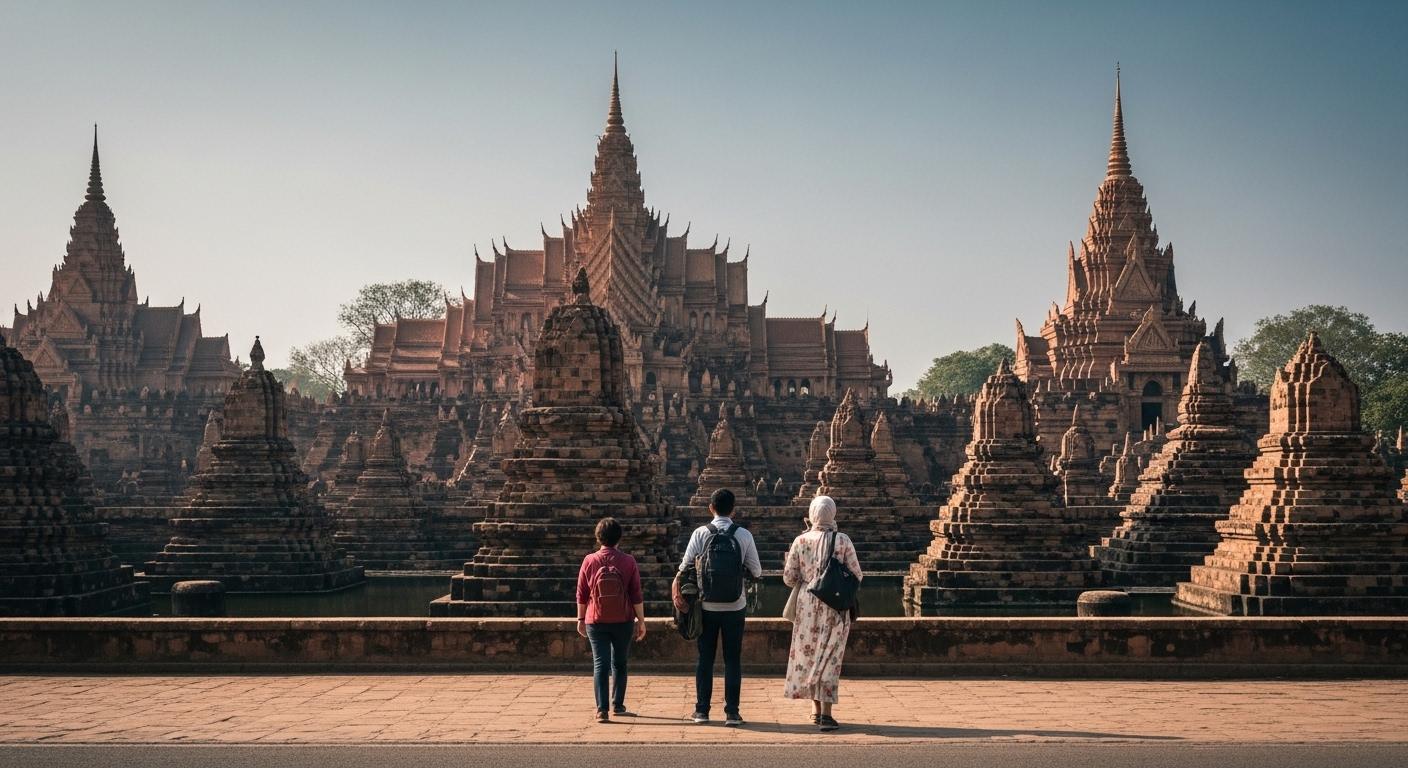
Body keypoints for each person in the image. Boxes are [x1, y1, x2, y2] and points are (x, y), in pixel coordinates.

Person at [673, 488, 761, 726]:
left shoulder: (701, 533)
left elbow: (684, 567)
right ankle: (732, 713)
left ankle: (702, 711)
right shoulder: (743, 535)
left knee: (705, 659)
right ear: (733, 510)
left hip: (706, 606)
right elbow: (757, 571)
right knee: (732, 660)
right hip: (735, 605)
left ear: (711, 508)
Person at [783, 495, 863, 732]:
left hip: (807, 604)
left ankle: (816, 711)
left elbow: (789, 578)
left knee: (809, 656)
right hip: (835, 606)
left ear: (812, 514)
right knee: (830, 657)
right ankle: (826, 714)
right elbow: (857, 574)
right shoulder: (843, 540)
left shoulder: (800, 540)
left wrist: (809, 576)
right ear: (832, 513)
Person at [576, 517, 646, 724]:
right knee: (620, 662)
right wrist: (641, 621)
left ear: (598, 538)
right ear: (619, 538)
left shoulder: (589, 560)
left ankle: (602, 710)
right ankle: (618, 704)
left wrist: (580, 618)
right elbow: (636, 594)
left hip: (595, 619)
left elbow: (581, 593)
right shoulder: (628, 561)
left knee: (600, 663)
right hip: (623, 619)